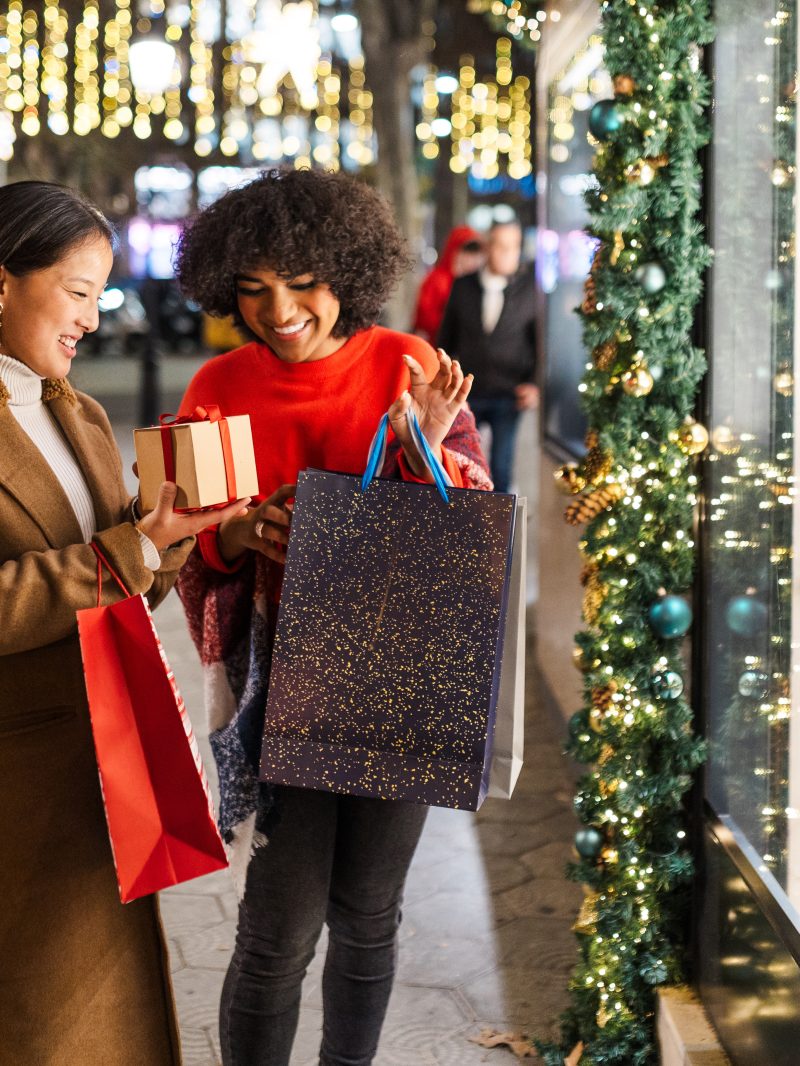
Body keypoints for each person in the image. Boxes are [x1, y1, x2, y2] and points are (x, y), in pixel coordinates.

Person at [172, 166, 493, 1066]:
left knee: (369, 914)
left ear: (345, 269)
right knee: (277, 930)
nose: (281, 309)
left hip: (405, 670)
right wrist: (236, 532)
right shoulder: (216, 386)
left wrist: (427, 447)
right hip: (286, 677)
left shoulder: (410, 363)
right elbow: (190, 548)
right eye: (254, 288)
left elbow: (467, 516)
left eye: (303, 280)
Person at [0, 181, 249, 1066]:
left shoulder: (81, 411)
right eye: (76, 292)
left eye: (98, 297)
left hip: (109, 766)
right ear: (1, 282)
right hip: (21, 783)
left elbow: (127, 581)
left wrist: (172, 529)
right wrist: (120, 552)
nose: (90, 321)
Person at [437, 218, 538, 493]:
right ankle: (464, 527)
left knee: (501, 467)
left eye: (513, 247)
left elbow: (539, 341)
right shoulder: (463, 286)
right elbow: (446, 339)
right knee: (462, 463)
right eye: (500, 246)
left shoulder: (530, 288)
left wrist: (535, 383)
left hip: (509, 392)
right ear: (488, 247)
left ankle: (499, 532)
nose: (507, 253)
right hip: (468, 391)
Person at [412, 224, 483, 343]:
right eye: (468, 251)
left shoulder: (476, 283)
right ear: (454, 250)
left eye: (476, 253)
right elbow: (425, 319)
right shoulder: (437, 280)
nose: (473, 258)